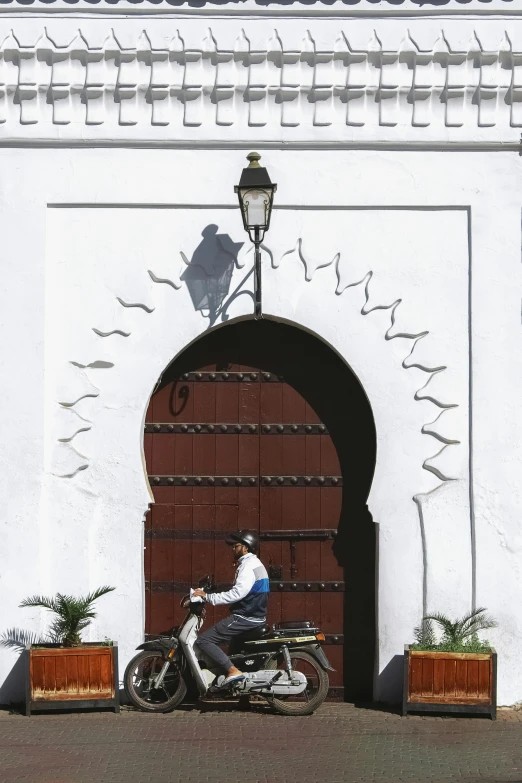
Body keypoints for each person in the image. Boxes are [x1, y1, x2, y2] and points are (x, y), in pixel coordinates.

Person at [192, 529, 269, 687]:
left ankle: (232, 671)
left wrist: (208, 597)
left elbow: (237, 593)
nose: (233, 548)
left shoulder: (248, 566)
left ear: (245, 548)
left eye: (236, 546)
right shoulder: (254, 564)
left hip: (246, 617)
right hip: (254, 615)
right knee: (234, 653)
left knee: (204, 640)